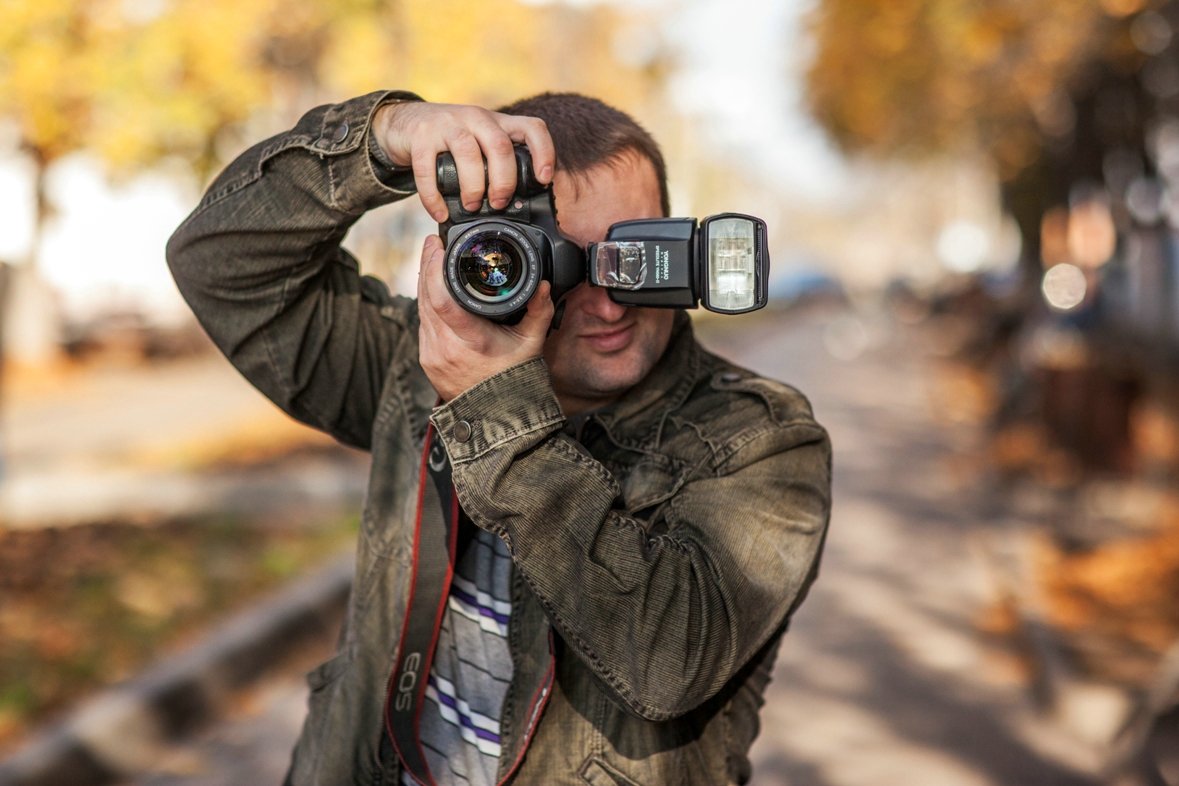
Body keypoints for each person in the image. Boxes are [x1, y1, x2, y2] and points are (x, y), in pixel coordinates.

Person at [167, 89, 831, 786]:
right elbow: (221, 264)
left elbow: (666, 661)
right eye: (564, 263)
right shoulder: (414, 369)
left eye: (634, 258)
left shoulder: (760, 440)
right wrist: (384, 136)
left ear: (678, 247)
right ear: (494, 259)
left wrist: (493, 407)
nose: (607, 301)